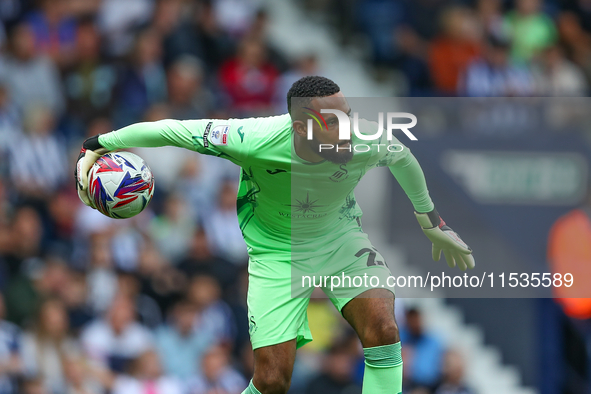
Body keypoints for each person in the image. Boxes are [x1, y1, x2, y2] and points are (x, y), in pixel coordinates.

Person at [75, 75, 475, 394]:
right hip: (276, 256)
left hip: (341, 240)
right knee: (271, 381)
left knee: (384, 329)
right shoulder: (254, 138)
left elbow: (404, 159)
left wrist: (431, 224)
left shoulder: (363, 139)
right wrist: (97, 145)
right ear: (300, 127)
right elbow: (173, 130)